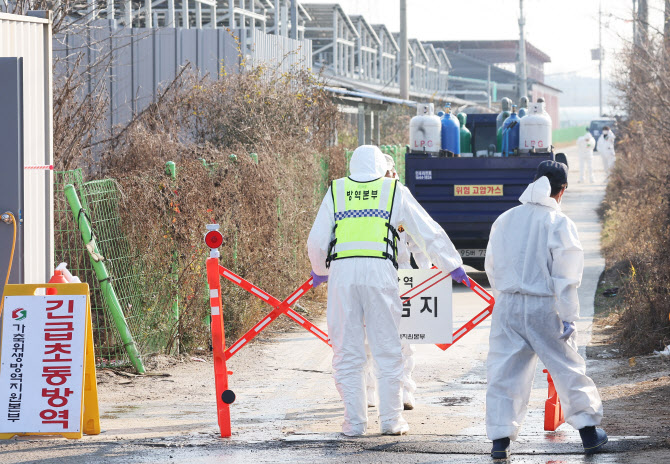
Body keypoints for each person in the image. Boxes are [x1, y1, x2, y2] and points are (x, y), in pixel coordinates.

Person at [307, 145, 468, 436]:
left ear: (353, 166)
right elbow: (425, 230)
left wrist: (320, 270)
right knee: (387, 348)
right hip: (380, 272)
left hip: (343, 274)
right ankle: (391, 421)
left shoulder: (336, 190)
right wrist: (451, 264)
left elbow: (318, 240)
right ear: (382, 166)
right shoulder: (394, 190)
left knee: (347, 350)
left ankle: (354, 424)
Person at [484, 160, 607, 459]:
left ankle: (500, 442)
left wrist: (505, 298)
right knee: (567, 368)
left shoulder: (506, 218)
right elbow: (566, 277)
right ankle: (589, 434)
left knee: (504, 373)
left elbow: (491, 265)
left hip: (509, 305)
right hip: (545, 307)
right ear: (562, 190)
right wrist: (568, 317)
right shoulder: (559, 223)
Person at [365, 154, 433, 412]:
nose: (389, 179)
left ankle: (405, 390)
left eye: (391, 174)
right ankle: (370, 391)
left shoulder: (401, 201)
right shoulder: (365, 204)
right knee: (368, 339)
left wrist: (426, 272)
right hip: (372, 275)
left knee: (404, 338)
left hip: (401, 276)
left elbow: (418, 240)